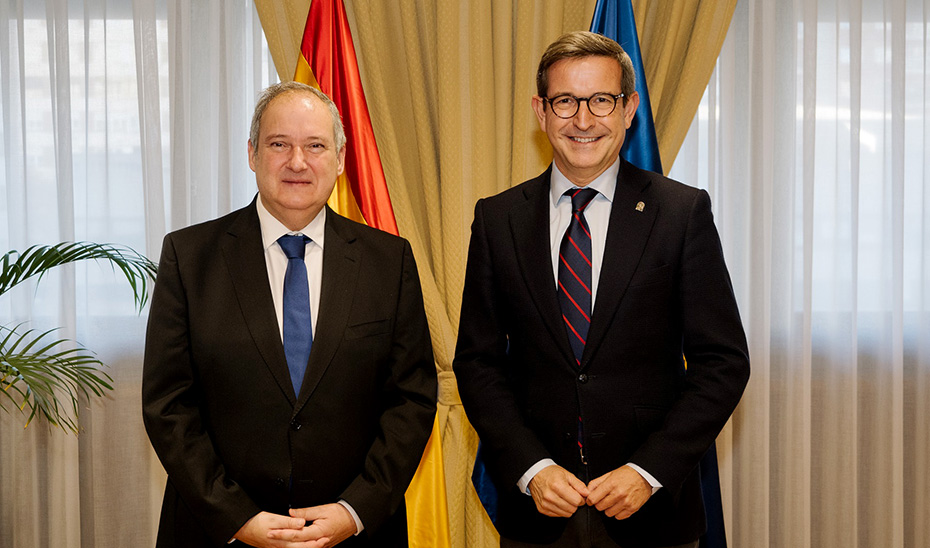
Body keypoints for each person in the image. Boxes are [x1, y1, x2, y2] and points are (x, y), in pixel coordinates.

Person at [454, 31, 750, 548]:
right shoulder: (497, 218)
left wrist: (648, 471)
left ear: (629, 108)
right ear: (540, 111)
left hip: (653, 513)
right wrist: (531, 467)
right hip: (538, 511)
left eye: (601, 100)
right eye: (566, 101)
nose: (583, 120)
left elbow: (722, 363)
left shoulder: (681, 213)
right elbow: (478, 363)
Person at [142, 81, 437, 548]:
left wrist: (354, 510)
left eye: (315, 146)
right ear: (252, 154)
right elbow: (168, 405)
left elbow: (412, 399)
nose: (297, 162)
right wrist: (236, 516)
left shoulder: (389, 261)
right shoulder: (189, 255)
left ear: (340, 158)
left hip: (354, 533)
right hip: (219, 531)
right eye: (279, 144)